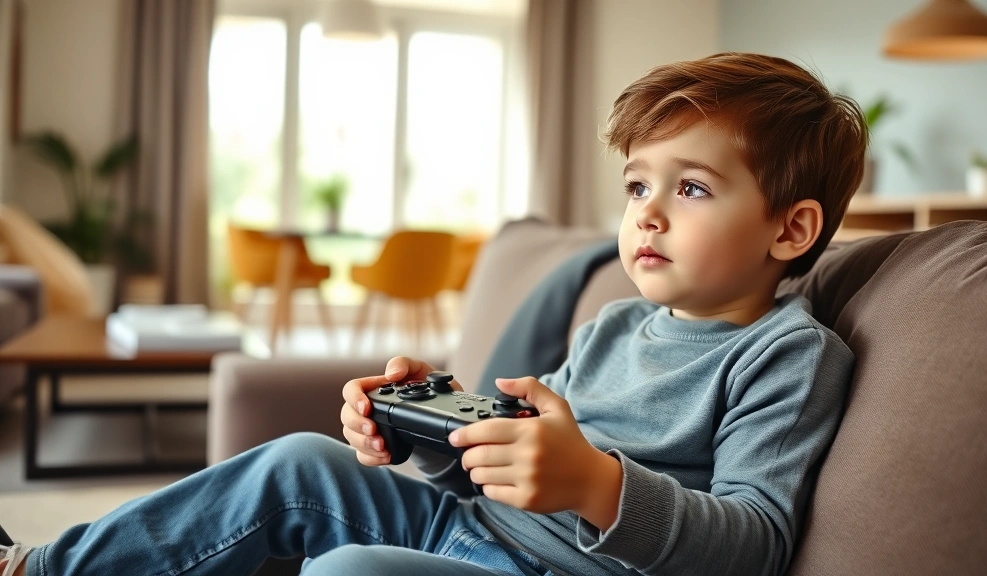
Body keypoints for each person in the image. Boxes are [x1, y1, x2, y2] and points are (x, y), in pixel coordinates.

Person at [1, 51, 867, 576]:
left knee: (349, 569)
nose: (646, 211)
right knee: (301, 458)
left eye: (691, 187)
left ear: (790, 229)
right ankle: (41, 569)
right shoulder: (612, 326)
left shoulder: (787, 355)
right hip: (471, 527)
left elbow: (753, 548)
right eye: (638, 183)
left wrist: (598, 486)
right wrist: (429, 434)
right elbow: (498, 469)